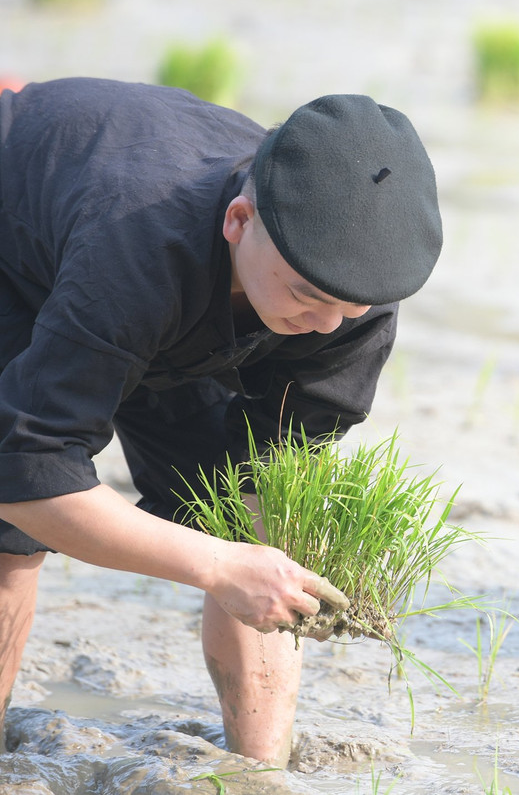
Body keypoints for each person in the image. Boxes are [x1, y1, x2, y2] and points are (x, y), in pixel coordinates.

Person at [0, 78, 443, 765]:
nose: (327, 324)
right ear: (239, 219)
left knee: (242, 508)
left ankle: (260, 770)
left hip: (164, 297)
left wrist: (248, 558)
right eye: (306, 293)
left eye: (349, 308)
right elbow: (24, 471)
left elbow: (262, 497)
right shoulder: (136, 248)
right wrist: (216, 567)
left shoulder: (352, 297)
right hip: (22, 243)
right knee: (14, 541)